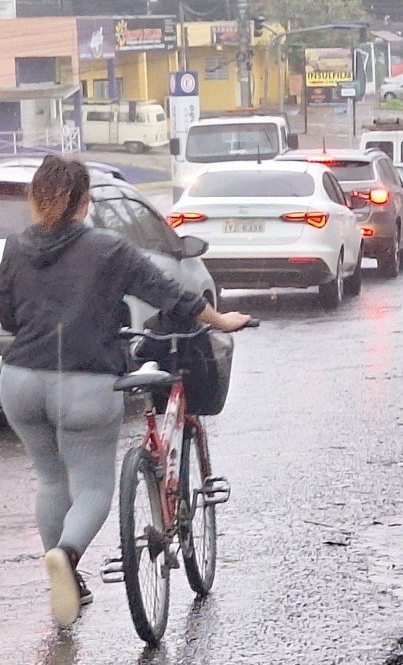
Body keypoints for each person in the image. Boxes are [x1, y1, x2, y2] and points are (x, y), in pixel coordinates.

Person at [0, 155, 251, 630]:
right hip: (85, 381)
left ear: (37, 198)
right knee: (93, 486)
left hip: (19, 380)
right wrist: (221, 320)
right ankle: (66, 557)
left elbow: (8, 317)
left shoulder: (15, 247)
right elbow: (169, 293)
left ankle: (68, 574)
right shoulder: (107, 248)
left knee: (51, 481)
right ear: (83, 200)